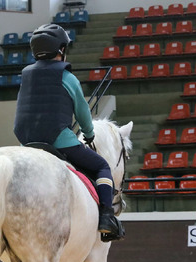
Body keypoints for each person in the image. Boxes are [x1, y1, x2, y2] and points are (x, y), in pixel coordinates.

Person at [14, 23, 124, 240]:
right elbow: (82, 111)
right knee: (102, 166)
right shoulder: (66, 77)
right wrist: (89, 133)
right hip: (59, 141)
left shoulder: (26, 76)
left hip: (26, 144)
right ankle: (106, 217)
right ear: (61, 50)